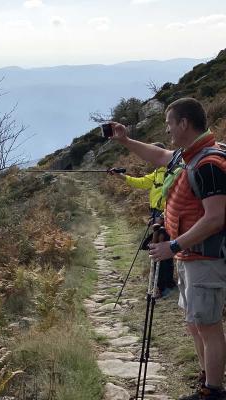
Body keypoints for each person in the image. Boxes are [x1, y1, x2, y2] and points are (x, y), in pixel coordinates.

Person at [111, 97, 226, 400]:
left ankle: (213, 391)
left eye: (169, 123)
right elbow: (159, 155)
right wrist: (125, 140)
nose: (168, 129)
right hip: (190, 256)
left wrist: (173, 245)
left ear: (184, 123)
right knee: (194, 323)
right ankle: (205, 381)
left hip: (205, 257)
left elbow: (215, 218)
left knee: (209, 325)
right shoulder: (187, 155)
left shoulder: (208, 163)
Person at [110, 142, 177, 298]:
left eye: (152, 154)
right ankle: (164, 285)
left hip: (165, 216)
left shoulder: (172, 171)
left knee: (163, 250)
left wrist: (163, 215)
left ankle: (163, 286)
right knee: (159, 249)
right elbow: (139, 182)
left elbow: (174, 196)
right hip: (156, 215)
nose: (150, 158)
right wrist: (120, 176)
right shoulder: (156, 173)